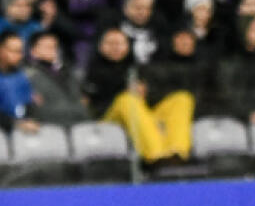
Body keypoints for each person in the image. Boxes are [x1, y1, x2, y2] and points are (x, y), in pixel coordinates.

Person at [82, 26, 192, 163]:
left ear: (128, 46)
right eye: (110, 43)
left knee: (182, 99)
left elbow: (157, 94)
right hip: (108, 118)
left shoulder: (138, 68)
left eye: (120, 43)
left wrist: (146, 91)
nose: (115, 47)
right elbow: (90, 104)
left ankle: (177, 153)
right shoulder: (94, 70)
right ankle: (157, 157)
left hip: (141, 114)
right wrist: (126, 91)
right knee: (127, 100)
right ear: (101, 47)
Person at [25, 30, 88, 126]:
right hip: (49, 129)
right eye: (47, 46)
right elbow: (39, 111)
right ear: (33, 51)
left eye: (54, 46)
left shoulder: (68, 73)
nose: (52, 50)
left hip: (77, 125)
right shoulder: (28, 76)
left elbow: (83, 105)